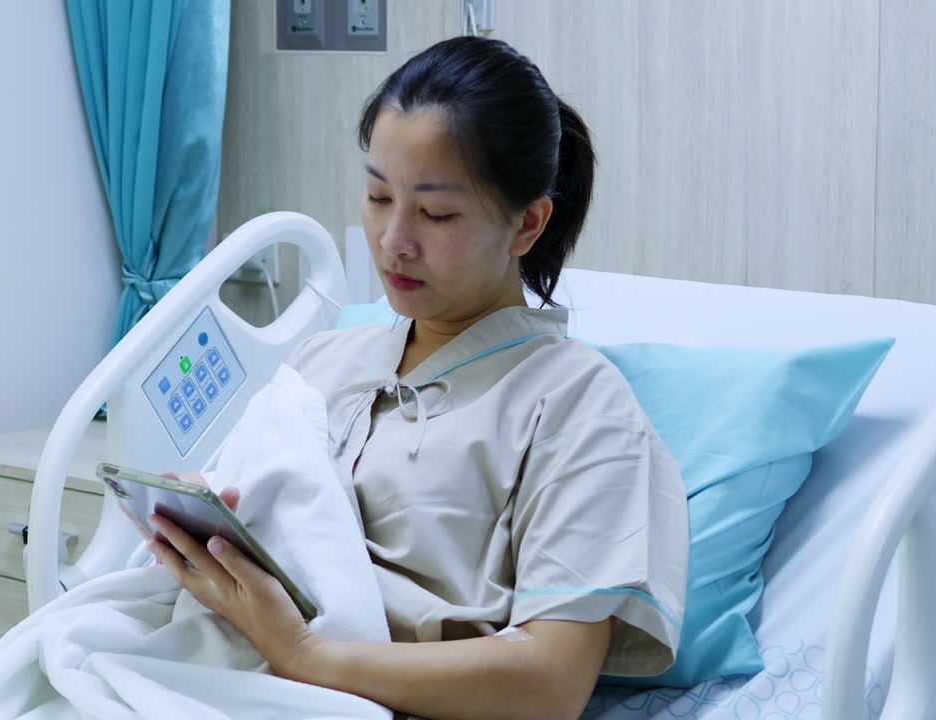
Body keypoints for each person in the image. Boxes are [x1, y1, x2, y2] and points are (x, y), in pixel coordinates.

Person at [146, 36, 689, 720]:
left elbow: (550, 683)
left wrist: (304, 655)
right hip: (212, 675)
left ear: (527, 224)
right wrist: (208, 527)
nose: (392, 240)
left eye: (436, 214)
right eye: (378, 196)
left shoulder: (577, 403)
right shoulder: (322, 361)